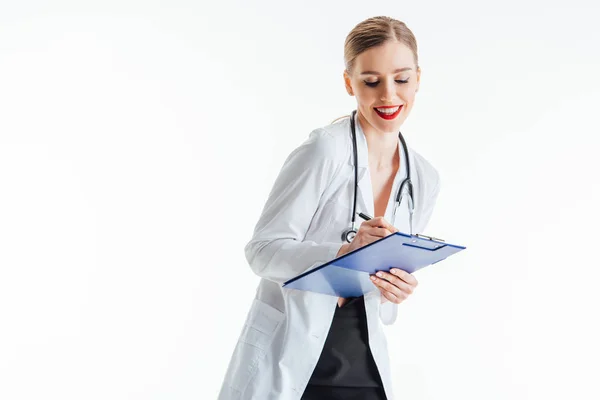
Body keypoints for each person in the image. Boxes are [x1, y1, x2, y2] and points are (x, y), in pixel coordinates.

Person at [217, 16, 441, 400]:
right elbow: (261, 251)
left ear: (418, 78)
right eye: (371, 81)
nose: (388, 95)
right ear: (349, 82)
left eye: (401, 79)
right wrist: (341, 254)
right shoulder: (324, 150)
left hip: (363, 371)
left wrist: (395, 289)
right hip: (291, 364)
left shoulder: (423, 177)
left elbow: (383, 303)